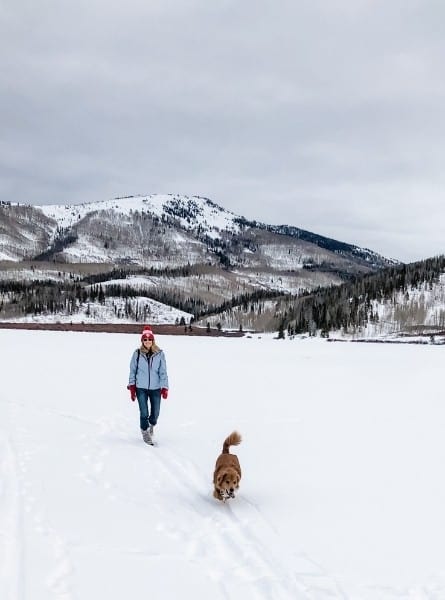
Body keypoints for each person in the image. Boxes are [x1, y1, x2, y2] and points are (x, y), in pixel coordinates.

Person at [127, 326, 169, 445]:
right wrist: (132, 387)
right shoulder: (137, 354)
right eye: (145, 340)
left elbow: (163, 372)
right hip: (141, 388)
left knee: (155, 413)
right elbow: (132, 371)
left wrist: (164, 387)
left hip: (156, 388)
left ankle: (151, 425)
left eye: (149, 339)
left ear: (153, 340)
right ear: (142, 341)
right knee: (144, 412)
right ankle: (145, 431)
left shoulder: (160, 354)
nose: (147, 342)